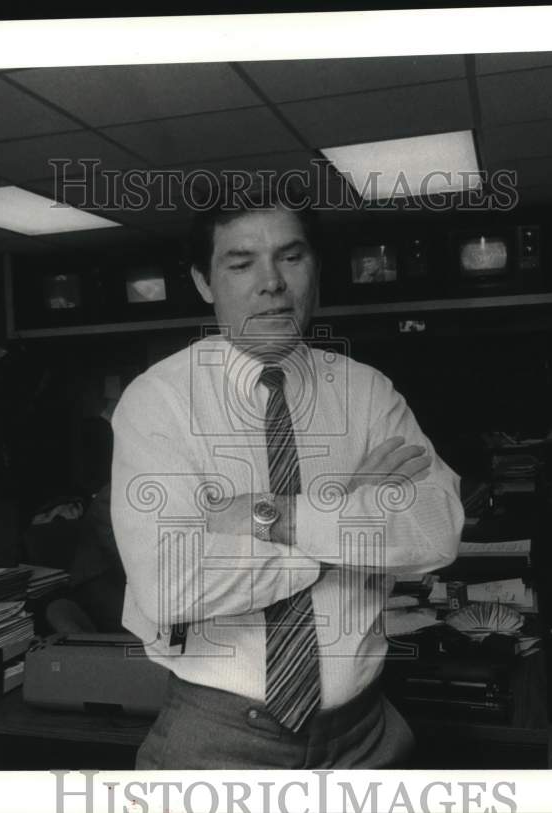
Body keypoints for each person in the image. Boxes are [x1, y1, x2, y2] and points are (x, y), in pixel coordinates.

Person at [109, 183, 463, 769]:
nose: (271, 282)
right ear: (204, 282)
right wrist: (349, 509)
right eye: (241, 262)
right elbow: (171, 586)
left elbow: (436, 528)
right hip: (220, 741)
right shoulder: (159, 402)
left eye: (291, 257)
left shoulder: (366, 392)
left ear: (314, 268)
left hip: (367, 739)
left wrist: (277, 516)